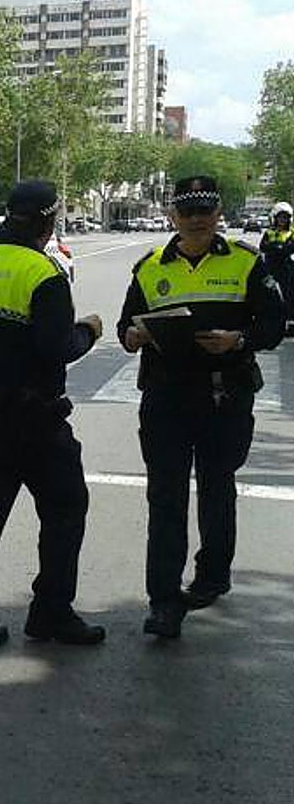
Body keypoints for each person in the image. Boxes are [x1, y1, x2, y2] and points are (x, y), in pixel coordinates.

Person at [0, 180, 106, 654]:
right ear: (49, 223)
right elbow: (57, 347)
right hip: (35, 426)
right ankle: (51, 612)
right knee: (65, 510)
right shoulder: (44, 274)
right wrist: (88, 331)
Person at [118, 175, 285, 638]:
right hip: (165, 397)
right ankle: (164, 601)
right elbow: (124, 327)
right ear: (173, 215)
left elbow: (274, 324)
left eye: (204, 211)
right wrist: (133, 336)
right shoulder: (150, 267)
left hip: (224, 395)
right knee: (165, 497)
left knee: (217, 488)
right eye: (187, 212)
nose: (196, 220)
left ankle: (212, 575)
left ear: (218, 214)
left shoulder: (247, 262)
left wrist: (239, 339)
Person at [258, 201, 294, 329]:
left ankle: (289, 320)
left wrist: (276, 247)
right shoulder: (269, 233)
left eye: (285, 218)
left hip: (287, 268)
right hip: (271, 267)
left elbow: (289, 249)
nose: (282, 220)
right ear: (275, 218)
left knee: (288, 293)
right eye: (280, 218)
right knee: (269, 293)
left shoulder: (291, 233)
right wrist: (279, 247)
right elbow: (263, 247)